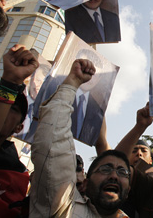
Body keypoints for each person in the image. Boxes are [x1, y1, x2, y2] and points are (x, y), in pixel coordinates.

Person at [29, 58, 131, 217]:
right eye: (105, 169)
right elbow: (51, 142)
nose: (113, 176)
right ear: (85, 184)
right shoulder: (63, 207)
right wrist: (72, 83)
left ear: (128, 190)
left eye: (123, 172)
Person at [0, 45, 38, 217]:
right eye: (3, 103)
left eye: (14, 109)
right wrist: (10, 82)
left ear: (19, 127)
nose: (6, 109)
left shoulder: (17, 175)